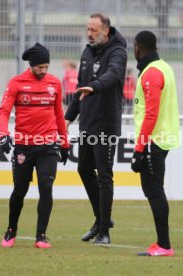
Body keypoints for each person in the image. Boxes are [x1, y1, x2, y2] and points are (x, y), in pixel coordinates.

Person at [0, 43, 70, 249]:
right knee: (19, 190)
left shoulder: (55, 83)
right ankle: (11, 229)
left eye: (47, 67)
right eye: (40, 67)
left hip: (47, 145)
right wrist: (3, 135)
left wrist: (64, 143)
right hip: (23, 146)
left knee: (46, 187)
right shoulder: (16, 83)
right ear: (31, 64)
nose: (44, 71)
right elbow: (4, 111)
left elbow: (58, 114)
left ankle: (41, 236)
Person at [65, 13, 127, 244]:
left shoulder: (118, 52)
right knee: (83, 169)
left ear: (106, 31)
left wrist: (95, 86)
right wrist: (68, 118)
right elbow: (79, 90)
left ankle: (104, 232)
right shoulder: (87, 51)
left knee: (104, 176)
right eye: (87, 29)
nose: (89, 34)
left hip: (106, 126)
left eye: (93, 30)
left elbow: (113, 75)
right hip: (87, 124)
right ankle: (101, 218)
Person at [131, 31, 181, 256]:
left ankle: (164, 245)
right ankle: (162, 243)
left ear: (137, 47)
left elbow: (151, 114)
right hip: (163, 138)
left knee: (154, 191)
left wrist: (139, 149)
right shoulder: (164, 67)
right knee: (153, 190)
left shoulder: (151, 73)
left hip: (154, 140)